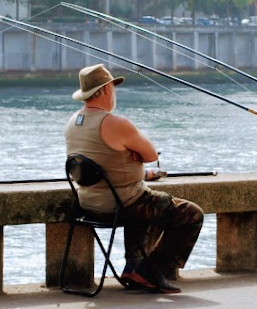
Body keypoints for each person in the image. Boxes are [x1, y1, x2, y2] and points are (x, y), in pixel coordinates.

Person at [64, 63, 203, 293]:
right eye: (113, 87)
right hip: (122, 204)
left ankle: (133, 265)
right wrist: (137, 157)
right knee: (190, 214)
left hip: (87, 204)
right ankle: (149, 271)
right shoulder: (115, 123)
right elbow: (150, 154)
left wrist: (136, 169)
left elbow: (101, 165)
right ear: (106, 89)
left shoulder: (73, 122)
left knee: (143, 198)